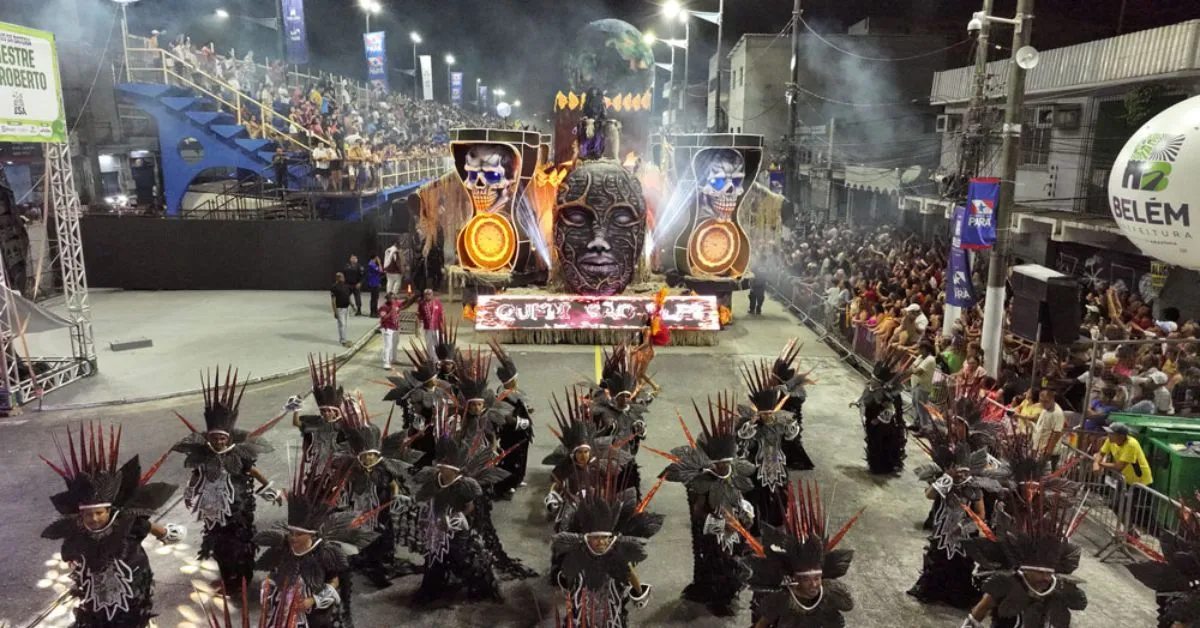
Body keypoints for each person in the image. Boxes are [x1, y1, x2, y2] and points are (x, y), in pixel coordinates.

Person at [41, 422, 187, 626]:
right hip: (96, 585)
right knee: (98, 615)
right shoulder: (78, 530)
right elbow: (71, 552)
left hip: (132, 579)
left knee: (131, 615)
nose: (94, 519)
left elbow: (150, 527)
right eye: (88, 515)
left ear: (109, 510)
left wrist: (165, 534)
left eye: (99, 513)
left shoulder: (127, 523)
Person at [172, 367, 285, 596]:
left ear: (229, 437)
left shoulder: (238, 455)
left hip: (237, 510)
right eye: (215, 438)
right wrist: (189, 492)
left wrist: (269, 489)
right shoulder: (202, 455)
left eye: (223, 438)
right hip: (212, 510)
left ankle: (241, 579)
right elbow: (197, 476)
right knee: (218, 546)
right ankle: (227, 579)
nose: (219, 442)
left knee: (240, 546)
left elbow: (252, 471)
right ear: (208, 438)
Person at [660, 395, 756, 617]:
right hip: (713, 533)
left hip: (733, 528)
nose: (724, 467)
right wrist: (721, 525)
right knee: (715, 565)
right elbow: (698, 513)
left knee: (733, 562)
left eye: (727, 463)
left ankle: (728, 594)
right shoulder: (701, 482)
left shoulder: (735, 473)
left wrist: (744, 514)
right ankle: (715, 596)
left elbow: (739, 497)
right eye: (720, 464)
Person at [256, 453, 376, 628]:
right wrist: (268, 587)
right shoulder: (285, 547)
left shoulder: (323, 552)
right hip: (285, 606)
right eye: (291, 533)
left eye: (298, 535)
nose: (292, 538)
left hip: (312, 609)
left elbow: (334, 580)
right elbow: (274, 574)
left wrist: (312, 600)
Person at [746, 481, 859, 627]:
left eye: (817, 578)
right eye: (806, 579)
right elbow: (761, 624)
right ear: (796, 579)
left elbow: (848, 605)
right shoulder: (782, 599)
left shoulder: (829, 593)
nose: (814, 585)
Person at [416, 288, 443, 358]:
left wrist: (442, 327)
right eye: (426, 294)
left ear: (432, 294)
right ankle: (431, 358)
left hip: (437, 328)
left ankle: (437, 358)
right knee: (429, 344)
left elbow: (442, 315)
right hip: (427, 328)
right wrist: (418, 329)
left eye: (429, 294)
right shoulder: (421, 304)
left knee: (437, 343)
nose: (427, 296)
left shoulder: (438, 303)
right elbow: (418, 317)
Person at [378, 292, 401, 369]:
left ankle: (393, 359)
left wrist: (411, 298)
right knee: (388, 345)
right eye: (391, 298)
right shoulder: (383, 307)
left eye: (393, 298)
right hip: (387, 328)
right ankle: (386, 363)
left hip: (395, 327)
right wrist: (391, 311)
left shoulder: (396, 304)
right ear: (387, 299)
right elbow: (383, 318)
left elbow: (404, 305)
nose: (393, 300)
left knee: (395, 343)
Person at [331, 272, 352, 346]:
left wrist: (352, 305)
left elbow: (348, 296)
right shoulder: (334, 287)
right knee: (342, 324)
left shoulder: (347, 286)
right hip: (339, 309)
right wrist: (335, 311)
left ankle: (342, 339)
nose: (343, 278)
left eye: (343, 277)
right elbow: (333, 300)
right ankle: (343, 341)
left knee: (343, 324)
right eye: (341, 277)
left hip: (346, 308)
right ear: (338, 278)